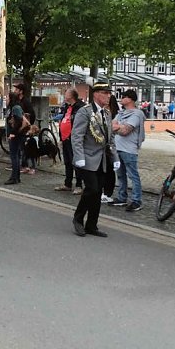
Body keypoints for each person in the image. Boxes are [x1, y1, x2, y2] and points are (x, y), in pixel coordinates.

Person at [71, 81, 120, 238]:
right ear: (96, 94)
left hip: (102, 160)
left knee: (98, 192)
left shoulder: (107, 114)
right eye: (105, 93)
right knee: (91, 189)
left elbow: (110, 138)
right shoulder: (85, 112)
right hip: (87, 158)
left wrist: (115, 157)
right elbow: (77, 136)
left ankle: (92, 225)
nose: (108, 96)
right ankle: (78, 219)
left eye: (109, 93)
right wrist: (79, 157)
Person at [112, 89, 146, 212]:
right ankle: (122, 198)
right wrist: (119, 127)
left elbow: (126, 131)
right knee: (120, 175)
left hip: (129, 149)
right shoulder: (121, 113)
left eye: (123, 96)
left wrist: (118, 127)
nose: (121, 99)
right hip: (118, 148)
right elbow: (111, 126)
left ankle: (137, 200)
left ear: (130, 99)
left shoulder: (137, 114)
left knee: (133, 176)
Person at [54, 89, 86, 194]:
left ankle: (79, 185)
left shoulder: (80, 107)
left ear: (72, 96)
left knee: (76, 162)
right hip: (65, 139)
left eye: (66, 93)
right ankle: (67, 183)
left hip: (74, 140)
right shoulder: (68, 107)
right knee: (67, 162)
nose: (64, 95)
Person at [4, 92, 25, 185]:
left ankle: (14, 177)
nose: (6, 99)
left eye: (7, 98)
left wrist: (13, 133)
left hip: (16, 135)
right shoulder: (13, 107)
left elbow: (19, 121)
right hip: (15, 135)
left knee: (14, 156)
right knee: (15, 155)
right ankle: (16, 177)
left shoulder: (16, 108)